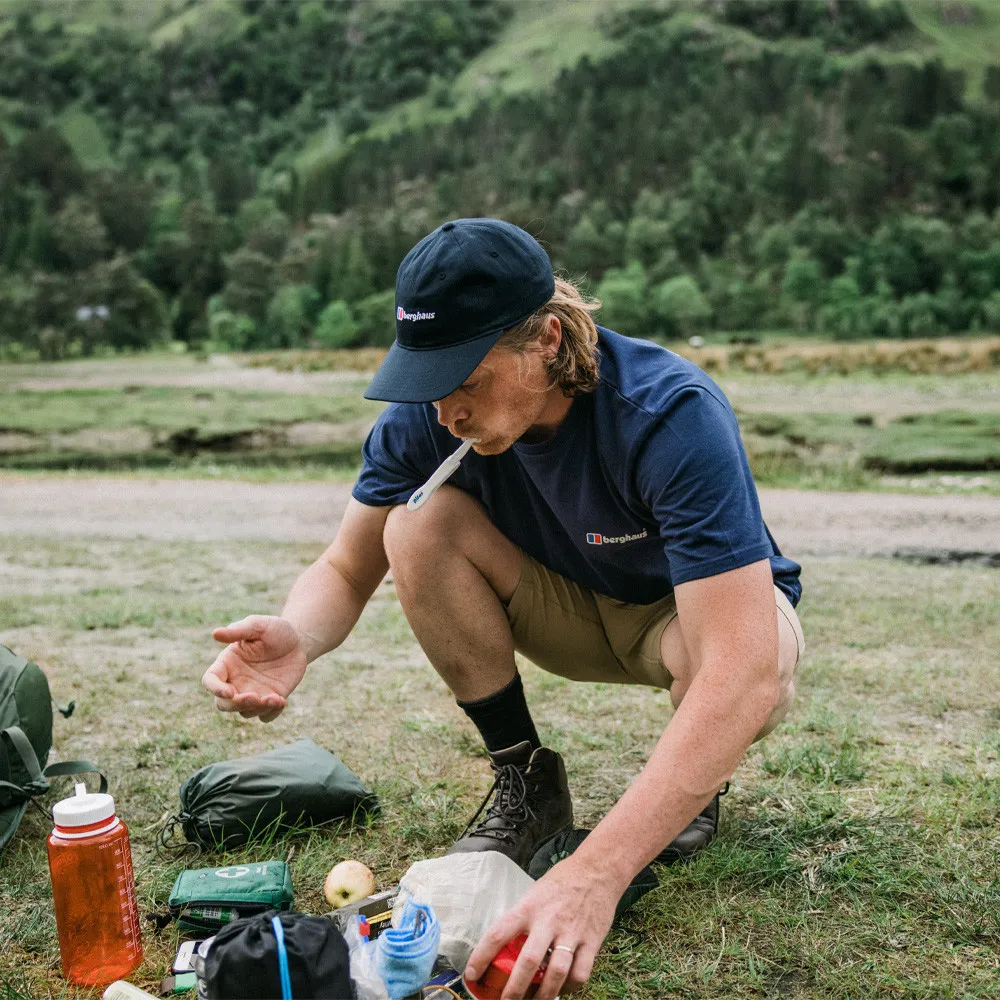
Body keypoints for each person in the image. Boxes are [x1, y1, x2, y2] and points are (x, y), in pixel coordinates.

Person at [202, 218, 804, 1000]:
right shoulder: (429, 416)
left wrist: (596, 875)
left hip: (682, 623)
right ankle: (526, 778)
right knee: (413, 525)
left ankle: (695, 780)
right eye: (430, 381)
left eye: (467, 380)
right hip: (564, 609)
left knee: (754, 669)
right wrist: (300, 635)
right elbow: (348, 566)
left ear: (547, 340)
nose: (446, 410)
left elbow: (742, 670)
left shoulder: (668, 411)